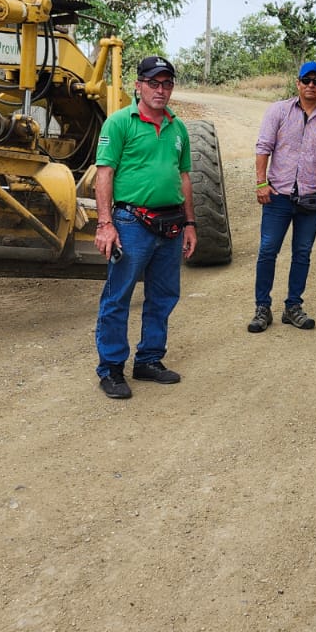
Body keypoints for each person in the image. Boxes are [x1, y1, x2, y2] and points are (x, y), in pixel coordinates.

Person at [90, 55, 197, 401]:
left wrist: (190, 223)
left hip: (171, 225)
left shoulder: (178, 128)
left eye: (167, 83)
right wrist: (105, 224)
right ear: (138, 86)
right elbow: (104, 174)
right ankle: (111, 368)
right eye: (153, 83)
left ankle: (149, 359)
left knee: (163, 295)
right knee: (118, 296)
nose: (160, 90)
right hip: (131, 222)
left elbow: (184, 177)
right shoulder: (120, 123)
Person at [248, 60, 316, 332]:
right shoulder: (278, 111)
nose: (311, 85)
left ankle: (293, 307)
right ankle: (262, 307)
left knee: (302, 253)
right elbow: (263, 146)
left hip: (311, 197)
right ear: (298, 83)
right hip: (277, 196)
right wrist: (261, 183)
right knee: (268, 250)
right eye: (306, 80)